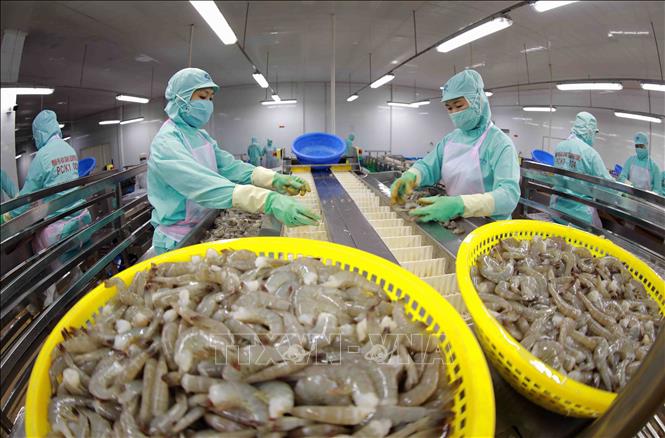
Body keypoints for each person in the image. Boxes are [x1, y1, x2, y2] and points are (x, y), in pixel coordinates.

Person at [148, 68, 319, 255]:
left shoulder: (200, 136)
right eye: (203, 97)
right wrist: (268, 200)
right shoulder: (166, 142)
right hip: (177, 240)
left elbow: (230, 166)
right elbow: (201, 184)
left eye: (211, 98)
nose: (208, 104)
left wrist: (274, 179)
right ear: (180, 98)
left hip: (202, 227)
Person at [390, 69, 520, 222]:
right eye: (449, 108)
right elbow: (428, 166)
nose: (454, 113)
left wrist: (460, 204)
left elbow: (508, 196)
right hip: (457, 219)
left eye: (458, 106)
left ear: (477, 101)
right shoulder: (451, 139)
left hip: (489, 226)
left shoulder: (500, 144)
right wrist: (411, 176)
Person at [3, 110, 92, 252]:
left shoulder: (42, 157)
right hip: (83, 220)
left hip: (62, 231)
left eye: (35, 136)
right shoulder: (70, 149)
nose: (36, 140)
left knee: (38, 245)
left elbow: (27, 197)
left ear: (40, 133)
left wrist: (8, 216)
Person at [548, 112, 612, 227]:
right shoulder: (590, 153)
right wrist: (623, 193)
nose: (594, 137)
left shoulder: (560, 146)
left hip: (557, 208)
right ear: (588, 131)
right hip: (579, 214)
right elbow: (607, 183)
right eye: (594, 133)